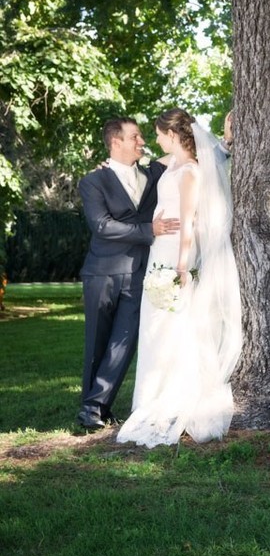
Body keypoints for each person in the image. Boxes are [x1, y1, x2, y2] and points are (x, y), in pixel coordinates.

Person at [117, 108, 243, 448]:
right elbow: (149, 162)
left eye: (159, 134)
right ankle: (151, 394)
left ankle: (176, 394)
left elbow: (189, 220)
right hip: (160, 248)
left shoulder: (189, 171)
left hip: (175, 255)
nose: (154, 139)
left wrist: (182, 266)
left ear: (172, 135)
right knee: (155, 324)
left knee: (175, 325)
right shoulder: (171, 164)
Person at [76, 117, 180, 430]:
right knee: (98, 341)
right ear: (115, 141)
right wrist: (149, 229)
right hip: (102, 273)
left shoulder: (154, 173)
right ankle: (92, 407)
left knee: (124, 342)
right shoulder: (93, 181)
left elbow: (183, 151)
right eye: (135, 137)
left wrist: (225, 145)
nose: (141, 141)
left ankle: (95, 407)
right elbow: (102, 226)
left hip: (139, 274)